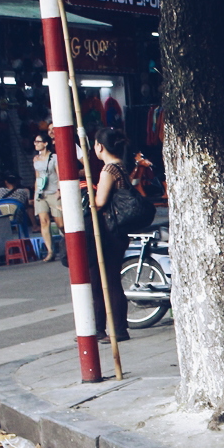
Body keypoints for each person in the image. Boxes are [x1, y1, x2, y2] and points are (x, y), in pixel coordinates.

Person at [89, 127, 134, 342]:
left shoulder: (109, 169)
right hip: (118, 230)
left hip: (109, 231)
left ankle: (117, 330)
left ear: (99, 146)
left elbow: (99, 202)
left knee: (109, 280)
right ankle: (101, 328)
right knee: (104, 279)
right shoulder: (121, 165)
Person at [32, 133, 63, 261]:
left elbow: (59, 174)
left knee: (60, 223)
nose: (36, 144)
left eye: (38, 141)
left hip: (53, 192)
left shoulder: (54, 157)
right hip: (41, 193)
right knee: (44, 221)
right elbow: (37, 177)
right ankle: (50, 251)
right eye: (35, 141)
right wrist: (35, 193)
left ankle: (69, 242)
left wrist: (59, 190)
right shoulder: (35, 159)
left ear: (45, 143)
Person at [0, 172, 32, 236]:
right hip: (18, 217)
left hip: (2, 217)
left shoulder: (0, 191)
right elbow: (26, 205)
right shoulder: (24, 191)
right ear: (17, 181)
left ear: (6, 182)